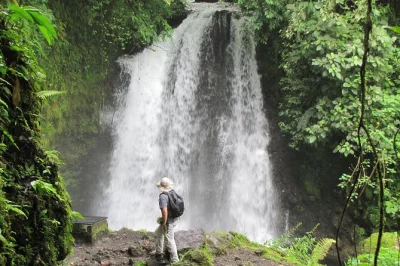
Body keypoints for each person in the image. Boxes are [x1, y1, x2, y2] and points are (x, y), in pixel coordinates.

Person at [155, 177, 179, 263]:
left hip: (169, 220)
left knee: (169, 239)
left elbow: (164, 211)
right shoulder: (172, 192)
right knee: (159, 232)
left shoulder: (163, 196)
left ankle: (175, 260)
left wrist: (164, 223)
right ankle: (159, 253)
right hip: (175, 218)